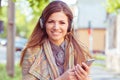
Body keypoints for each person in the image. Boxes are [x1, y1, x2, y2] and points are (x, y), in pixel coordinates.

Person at [20, 1, 93, 80]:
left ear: (69, 26)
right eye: (51, 22)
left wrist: (85, 78)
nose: (56, 27)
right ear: (43, 24)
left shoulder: (80, 51)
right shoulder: (31, 53)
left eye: (62, 23)